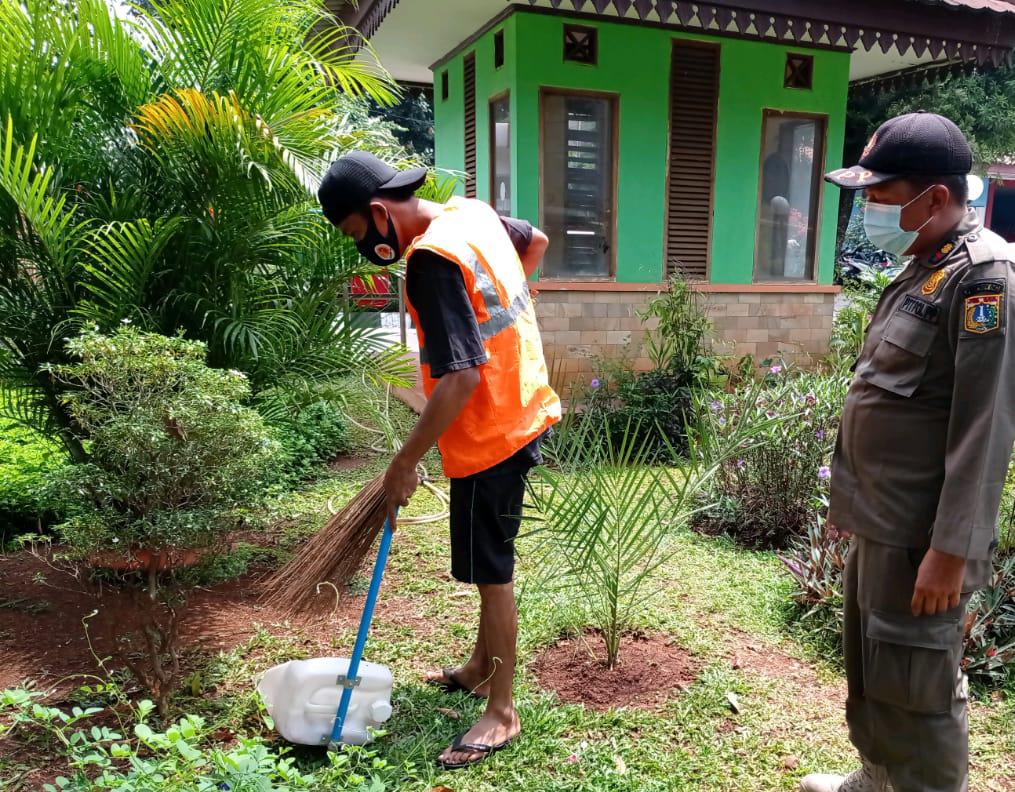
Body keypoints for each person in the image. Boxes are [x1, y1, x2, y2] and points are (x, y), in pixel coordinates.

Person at [317, 151, 561, 770]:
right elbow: (536, 242)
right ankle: (481, 667)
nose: (362, 247)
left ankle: (501, 710)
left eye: (356, 234)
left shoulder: (430, 259)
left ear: (377, 212)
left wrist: (404, 462)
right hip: (522, 404)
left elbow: (459, 378)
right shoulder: (469, 215)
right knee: (486, 559)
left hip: (490, 432)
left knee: (491, 570)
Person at [804, 112, 1015, 792]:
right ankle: (876, 775)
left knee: (919, 684)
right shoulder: (926, 264)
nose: (866, 209)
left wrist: (951, 549)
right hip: (880, 521)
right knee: (873, 664)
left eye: (878, 196)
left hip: (922, 536)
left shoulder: (984, 280)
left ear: (933, 198)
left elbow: (983, 427)